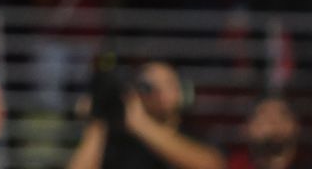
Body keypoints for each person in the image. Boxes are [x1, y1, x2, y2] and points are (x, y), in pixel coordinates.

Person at [68, 62, 225, 169]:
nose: (160, 92)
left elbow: (213, 164)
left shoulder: (196, 132)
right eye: (150, 86)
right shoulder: (120, 140)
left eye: (168, 83)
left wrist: (140, 124)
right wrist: (100, 118)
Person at [227, 96, 305, 169]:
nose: (273, 122)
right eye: (264, 115)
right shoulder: (226, 164)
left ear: (296, 126)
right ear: (245, 129)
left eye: (283, 114)